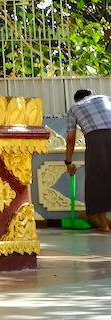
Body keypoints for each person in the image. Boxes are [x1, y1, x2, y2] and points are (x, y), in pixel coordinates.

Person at [66, 88, 111, 232]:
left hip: (97, 140)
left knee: (96, 180)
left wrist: (68, 162)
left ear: (77, 100)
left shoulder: (74, 108)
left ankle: (104, 225)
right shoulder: (105, 98)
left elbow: (71, 138)